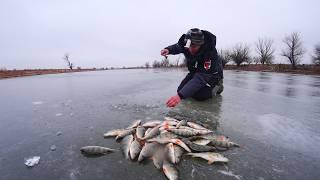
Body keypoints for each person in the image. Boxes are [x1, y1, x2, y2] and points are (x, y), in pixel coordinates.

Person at [161, 28, 224, 107]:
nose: (190, 49)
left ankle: (218, 87)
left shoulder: (209, 53)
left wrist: (180, 96)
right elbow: (178, 46)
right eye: (189, 46)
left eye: (194, 47)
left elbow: (201, 78)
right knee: (181, 90)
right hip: (195, 71)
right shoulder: (187, 44)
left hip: (211, 74)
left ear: (201, 44)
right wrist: (168, 50)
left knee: (201, 96)